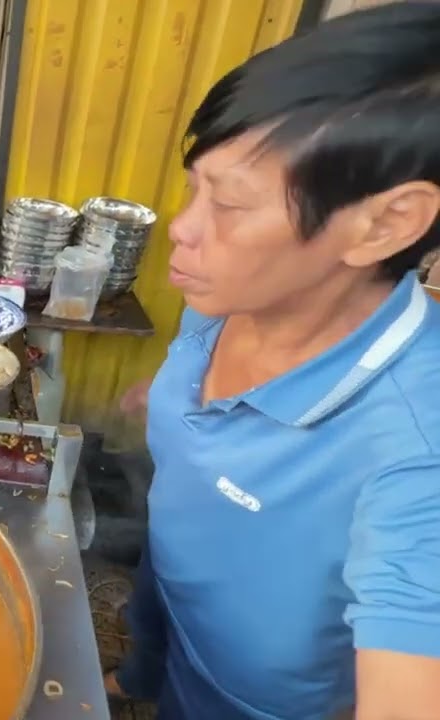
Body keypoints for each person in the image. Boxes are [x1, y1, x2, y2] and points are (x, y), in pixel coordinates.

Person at [107, 4, 440, 719]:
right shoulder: (232, 291)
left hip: (247, 704)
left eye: (228, 203)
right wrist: (165, 395)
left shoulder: (419, 453)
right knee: (145, 662)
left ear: (385, 223)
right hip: (168, 603)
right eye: (196, 185)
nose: (183, 227)